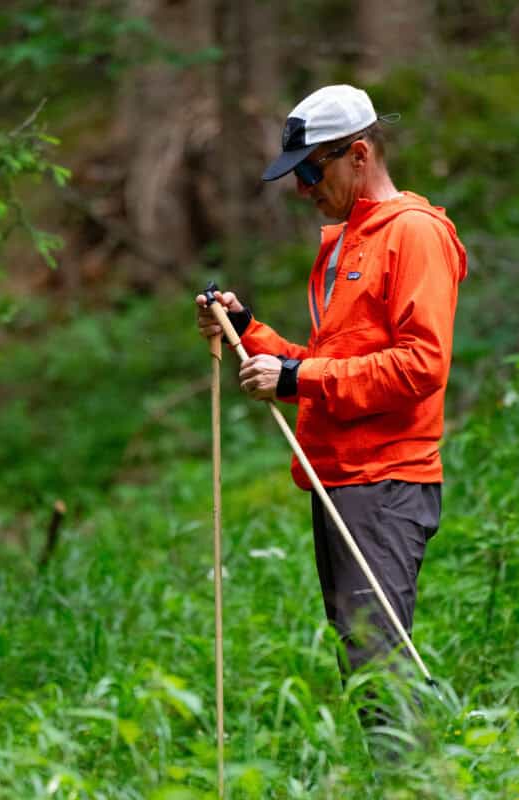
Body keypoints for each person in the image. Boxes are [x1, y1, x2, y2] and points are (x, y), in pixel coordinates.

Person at [196, 84, 467, 691]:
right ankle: (401, 784)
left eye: (313, 170)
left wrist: (298, 377)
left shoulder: (414, 234)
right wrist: (245, 333)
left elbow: (423, 365)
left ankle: (420, 785)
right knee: (364, 665)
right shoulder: (347, 240)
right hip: (341, 478)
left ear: (360, 155)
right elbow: (329, 367)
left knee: (380, 670)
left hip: (387, 483)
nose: (303, 188)